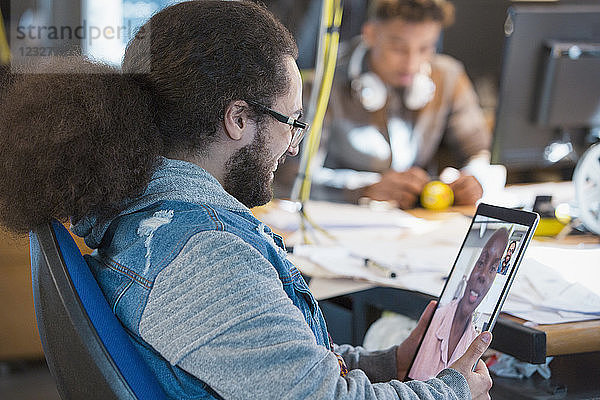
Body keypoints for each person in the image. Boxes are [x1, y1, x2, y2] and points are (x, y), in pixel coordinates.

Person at [0, 1, 493, 399]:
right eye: (292, 123)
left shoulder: (145, 214)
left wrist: (390, 364)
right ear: (238, 120)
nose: (294, 144)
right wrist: (452, 391)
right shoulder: (205, 254)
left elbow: (264, 363)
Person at [308, 0, 492, 209]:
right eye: (398, 48)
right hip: (341, 218)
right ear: (369, 34)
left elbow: (478, 152)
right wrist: (364, 188)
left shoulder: (448, 76)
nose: (412, 63)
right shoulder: (323, 82)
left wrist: (473, 180)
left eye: (424, 48)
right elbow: (292, 178)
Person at [409, 228, 509, 380]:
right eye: (481, 262)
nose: (482, 275)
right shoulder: (438, 318)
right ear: (468, 272)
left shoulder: (473, 339)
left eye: (493, 268)